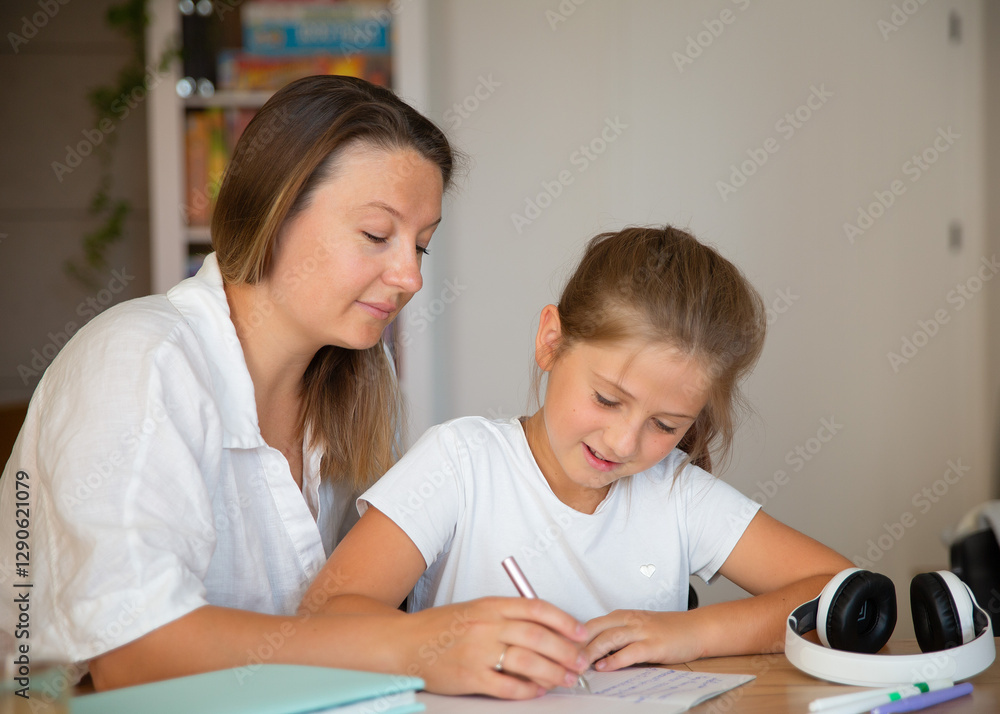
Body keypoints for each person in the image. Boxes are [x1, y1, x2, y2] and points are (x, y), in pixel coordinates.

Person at [0, 75, 590, 696]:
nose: (411, 277)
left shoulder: (361, 376)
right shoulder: (138, 358)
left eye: (422, 246)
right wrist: (414, 646)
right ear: (276, 209)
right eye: (375, 235)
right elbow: (135, 655)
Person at [303, 225, 854, 693]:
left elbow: (838, 587)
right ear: (551, 340)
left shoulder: (675, 492)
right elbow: (324, 618)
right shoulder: (462, 464)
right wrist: (443, 642)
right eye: (607, 400)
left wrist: (689, 633)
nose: (622, 444)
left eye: (665, 426)